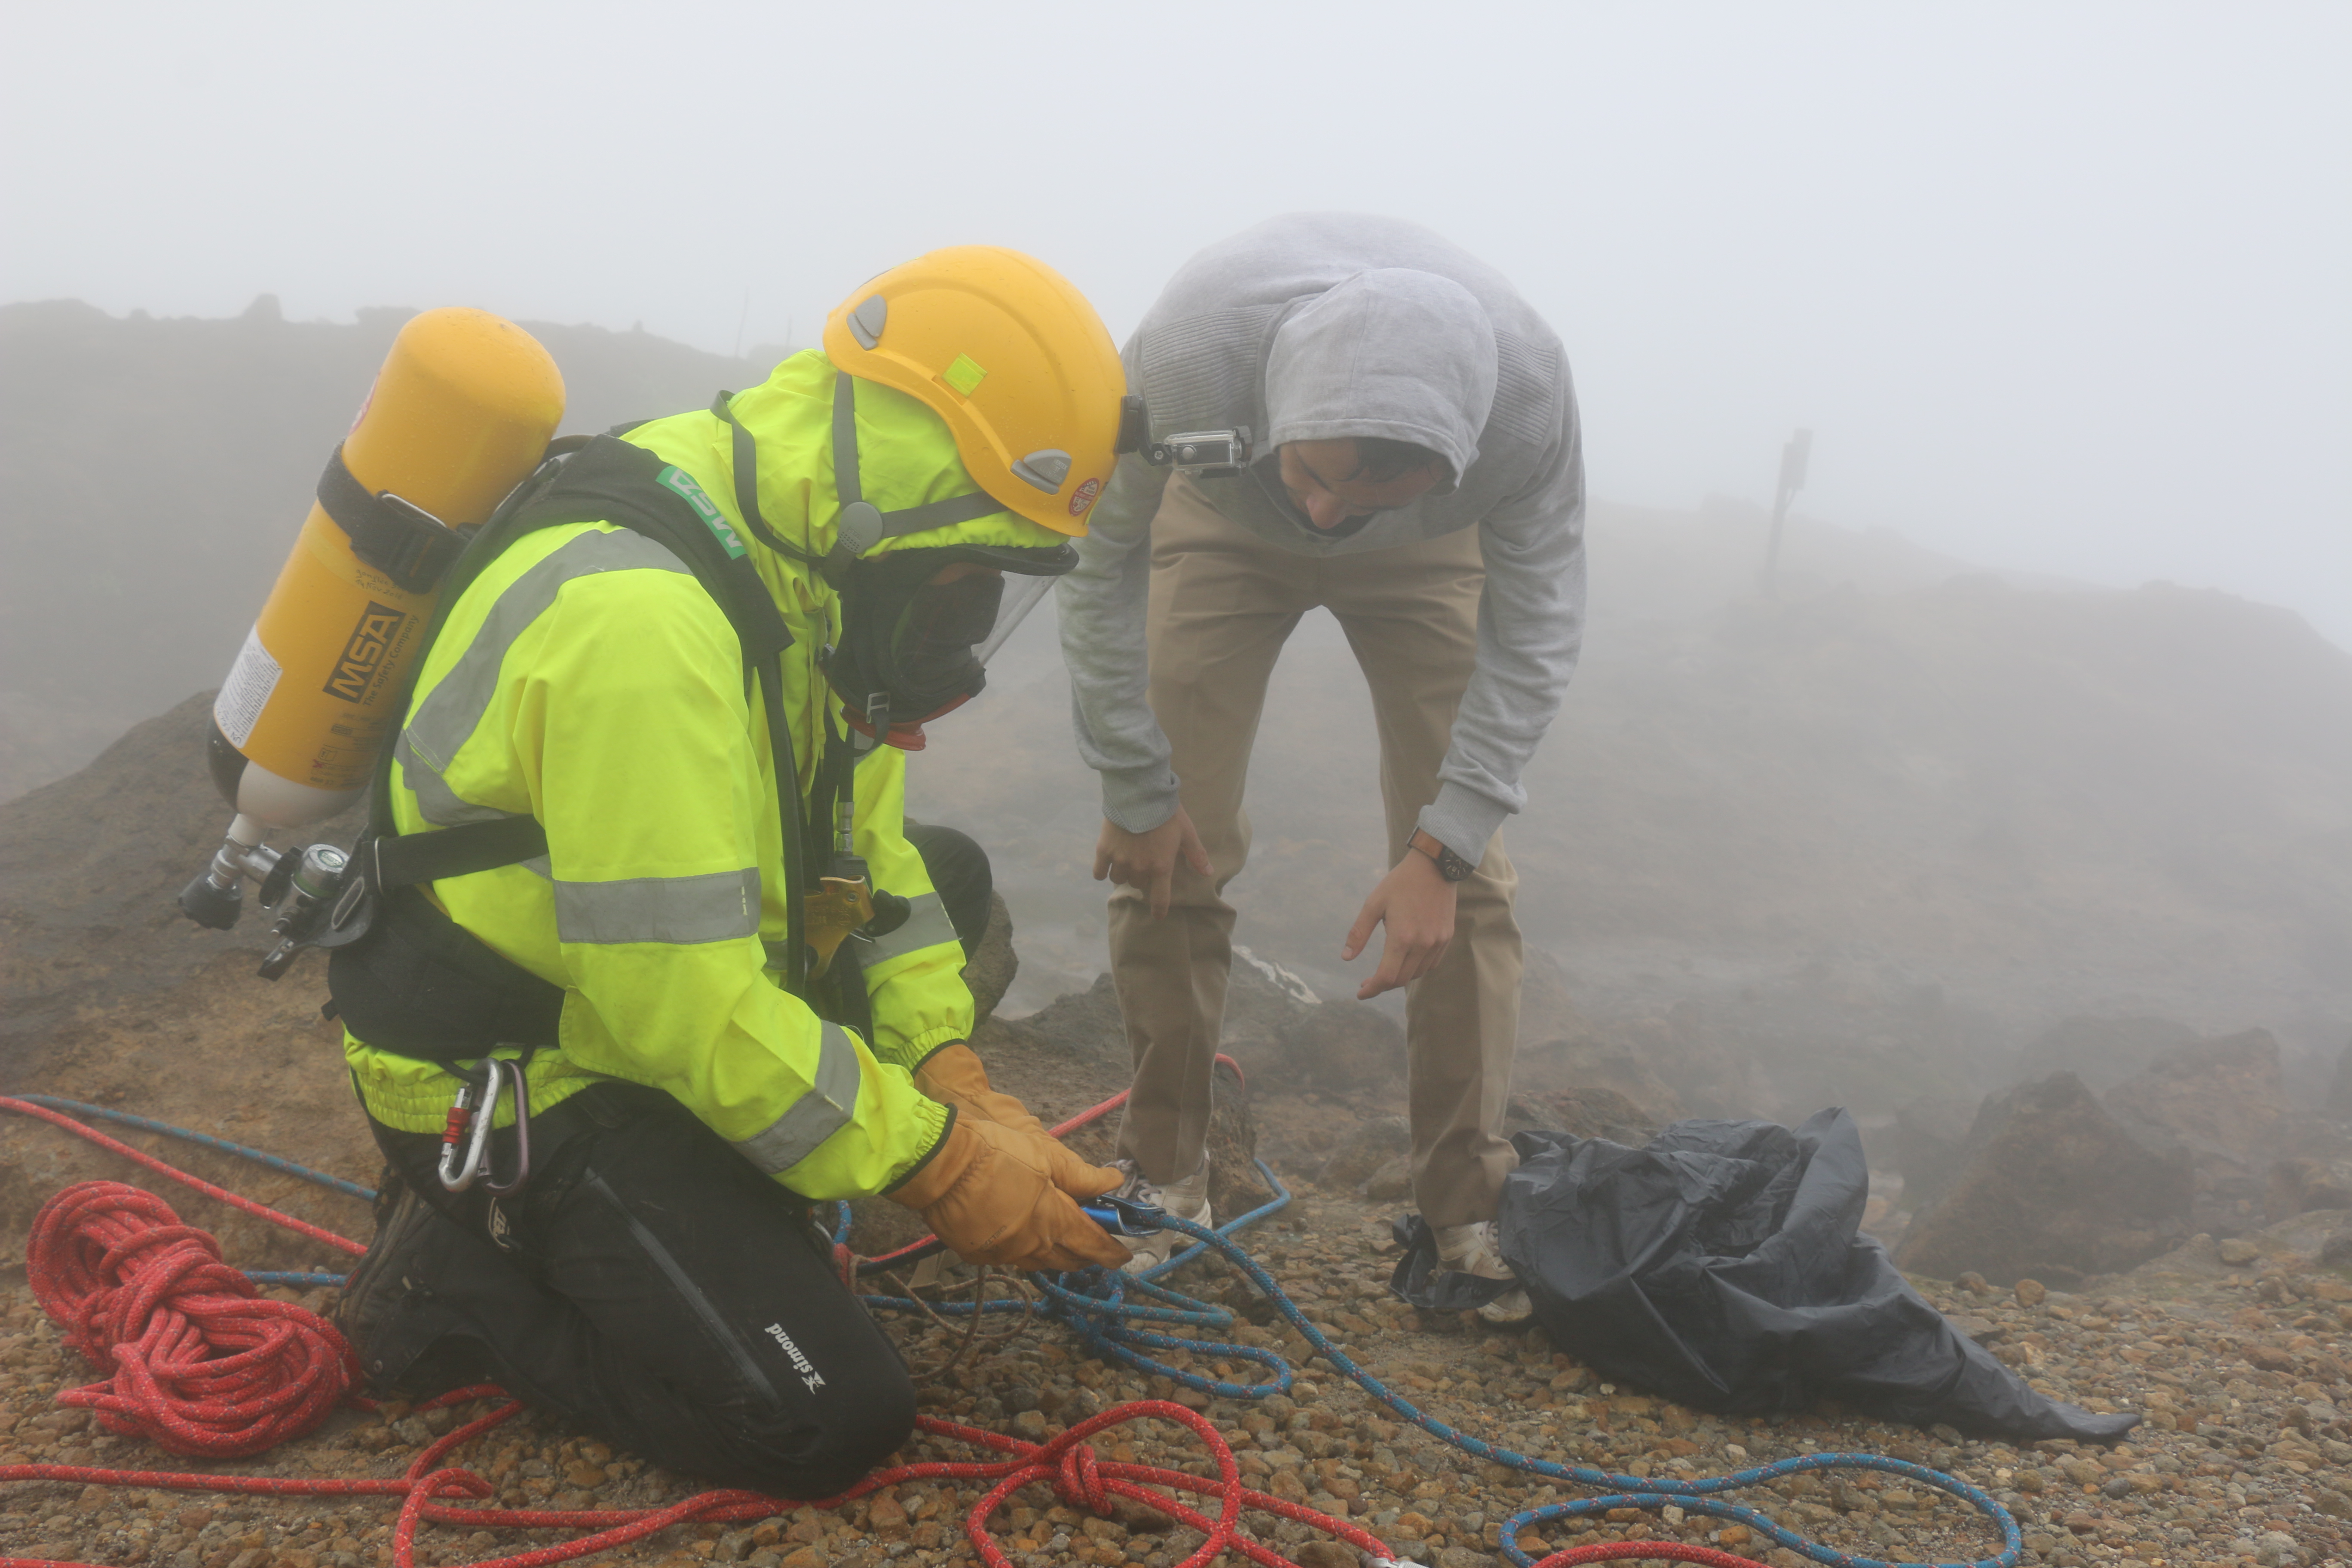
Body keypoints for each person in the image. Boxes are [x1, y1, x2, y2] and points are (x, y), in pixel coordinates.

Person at [331, 247, 1135, 1500]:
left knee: (951, 875)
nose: (967, 627)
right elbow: (681, 1006)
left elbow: (874, 861)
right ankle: (456, 1286)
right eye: (967, 577)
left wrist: (946, 1070)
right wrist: (939, 1163)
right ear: (902, 491)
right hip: (521, 1062)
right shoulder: (643, 626)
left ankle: (714, 1191)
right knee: (824, 1419)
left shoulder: (808, 562)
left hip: (625, 994)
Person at [1057, 214, 1586, 1322]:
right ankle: (1167, 1179)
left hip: (1425, 548)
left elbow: (1537, 630)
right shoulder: (1189, 359)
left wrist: (1441, 849)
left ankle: (1468, 1211)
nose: (1324, 518)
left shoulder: (1527, 406)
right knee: (1167, 845)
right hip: (1221, 513)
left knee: (1470, 881)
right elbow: (1098, 560)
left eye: (1362, 495)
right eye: (1318, 475)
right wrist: (1133, 783)